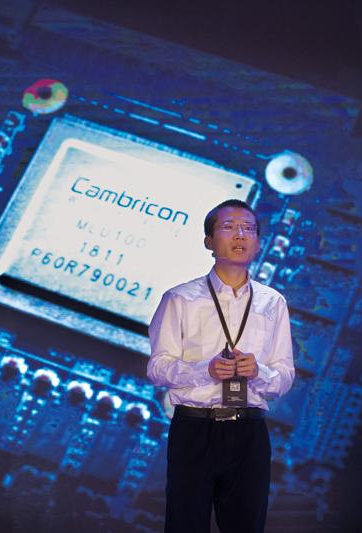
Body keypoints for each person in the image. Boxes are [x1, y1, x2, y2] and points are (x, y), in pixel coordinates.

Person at [147, 199, 295, 533]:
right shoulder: (180, 298)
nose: (240, 235)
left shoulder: (273, 302)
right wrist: (205, 370)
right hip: (195, 428)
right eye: (228, 227)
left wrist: (258, 372)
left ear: (258, 243)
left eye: (249, 229)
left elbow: (284, 377)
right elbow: (157, 368)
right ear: (208, 242)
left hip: (249, 431)